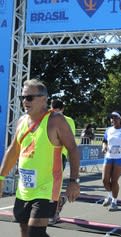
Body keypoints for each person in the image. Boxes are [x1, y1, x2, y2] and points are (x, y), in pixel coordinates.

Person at [0, 79, 80, 237]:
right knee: (25, 232)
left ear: (44, 99)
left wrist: (73, 181)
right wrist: (1, 177)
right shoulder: (22, 121)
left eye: (29, 97)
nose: (24, 101)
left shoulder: (55, 120)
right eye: (22, 97)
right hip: (24, 189)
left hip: (46, 188)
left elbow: (72, 148)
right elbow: (13, 150)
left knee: (34, 234)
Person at [49, 99, 76, 224]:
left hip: (60, 155)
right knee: (50, 184)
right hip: (49, 155)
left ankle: (54, 213)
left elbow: (70, 142)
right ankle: (55, 207)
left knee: (54, 184)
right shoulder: (49, 118)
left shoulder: (67, 120)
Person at [101, 111, 121, 211]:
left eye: (115, 118)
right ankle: (110, 196)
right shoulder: (108, 130)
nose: (113, 120)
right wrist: (104, 147)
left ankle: (114, 202)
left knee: (114, 181)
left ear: (120, 119)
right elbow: (104, 141)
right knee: (104, 180)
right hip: (109, 156)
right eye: (112, 118)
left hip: (120, 157)